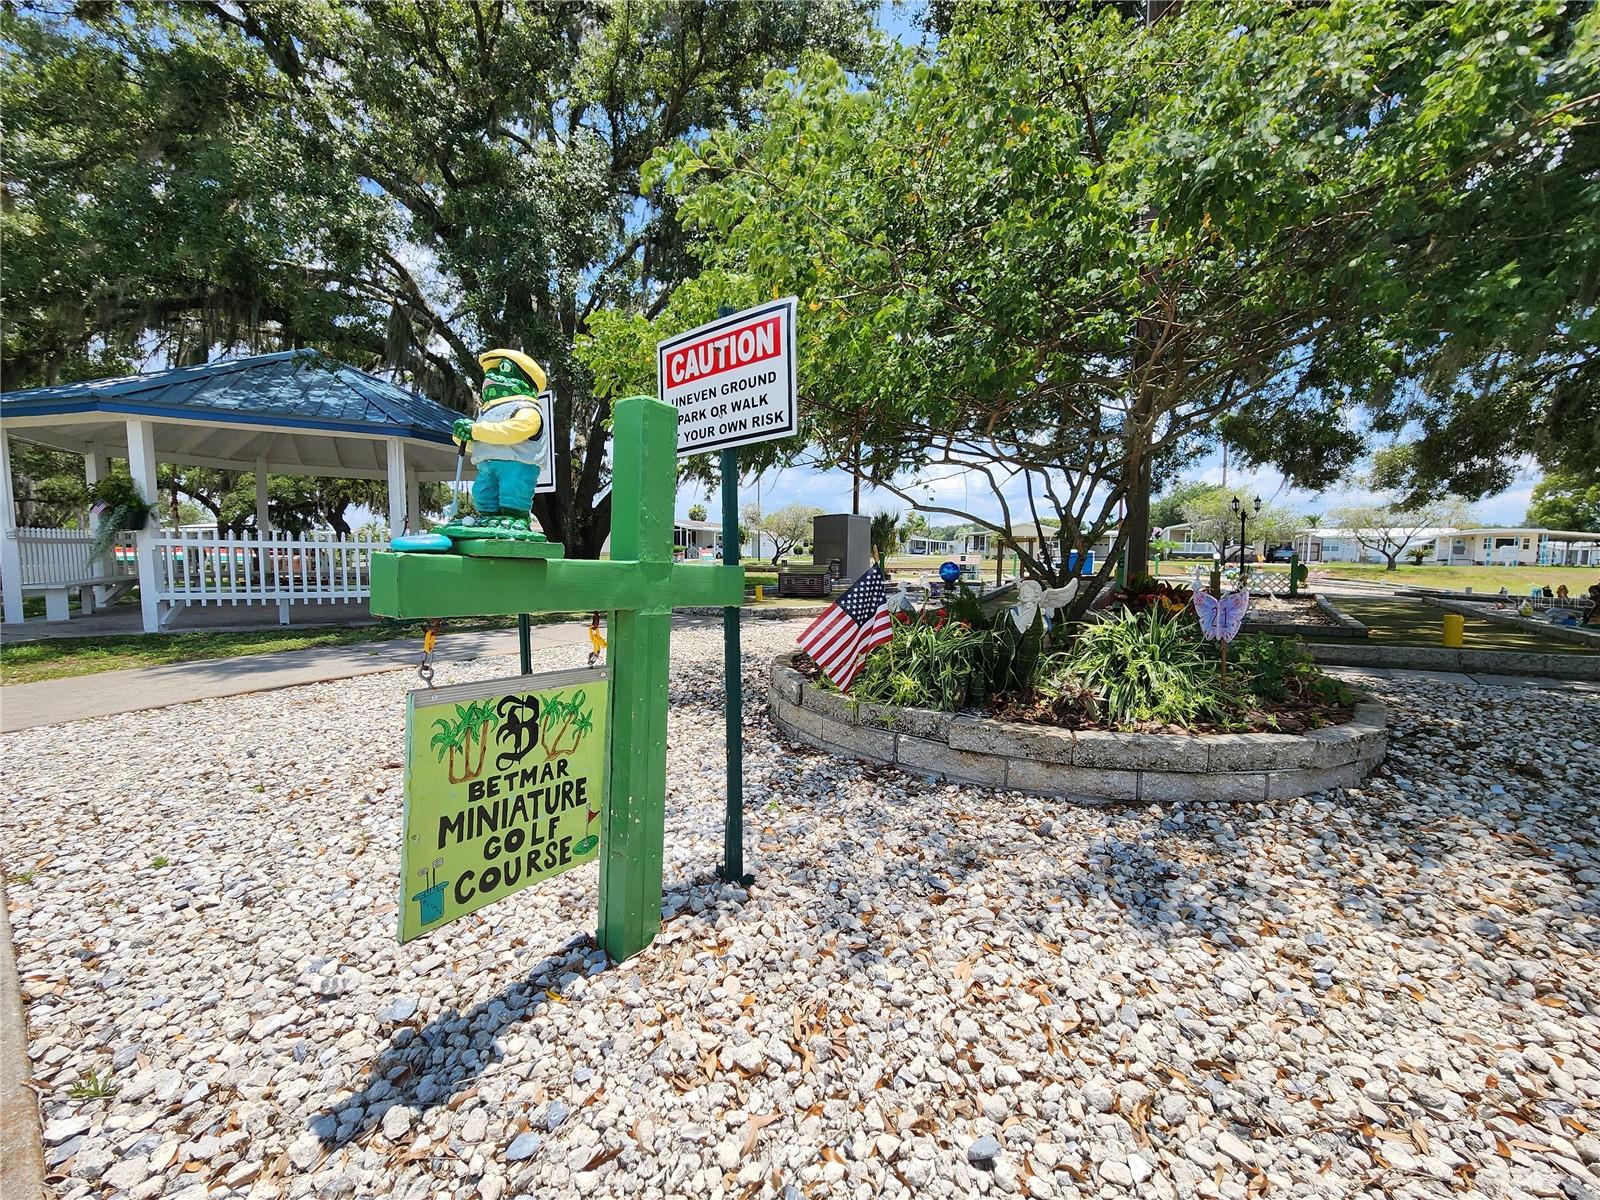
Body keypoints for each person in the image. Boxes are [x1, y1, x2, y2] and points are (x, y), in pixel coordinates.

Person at [451, 349, 548, 536]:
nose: (492, 376)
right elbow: (479, 442)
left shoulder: (528, 408)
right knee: (482, 493)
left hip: (517, 463)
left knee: (513, 490)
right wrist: (462, 436)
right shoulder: (486, 412)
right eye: (489, 372)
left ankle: (515, 518)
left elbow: (514, 431)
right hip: (487, 465)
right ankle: (488, 517)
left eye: (502, 369)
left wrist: (476, 430)